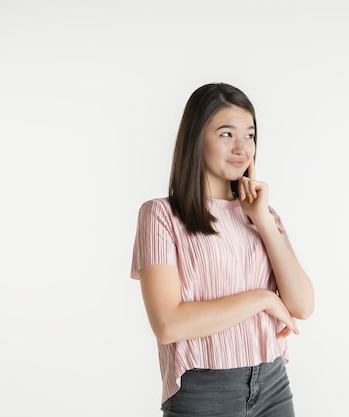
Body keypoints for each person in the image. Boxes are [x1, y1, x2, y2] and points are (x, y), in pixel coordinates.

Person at [130, 82, 315, 417]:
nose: (242, 148)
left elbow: (302, 305)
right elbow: (168, 323)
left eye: (250, 135)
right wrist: (264, 298)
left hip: (272, 382)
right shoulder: (161, 216)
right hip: (204, 392)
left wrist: (260, 218)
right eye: (226, 134)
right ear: (196, 138)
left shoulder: (264, 214)